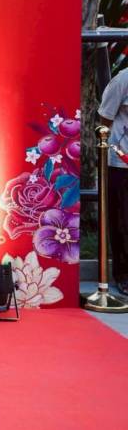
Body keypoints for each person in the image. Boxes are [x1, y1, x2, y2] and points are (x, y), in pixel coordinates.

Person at [100, 71, 128, 298]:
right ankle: (124, 275)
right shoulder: (122, 80)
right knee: (123, 221)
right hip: (122, 162)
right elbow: (105, 119)